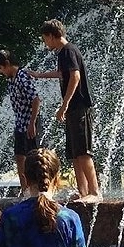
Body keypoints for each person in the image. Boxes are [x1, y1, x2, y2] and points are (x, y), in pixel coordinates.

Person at [27, 20, 101, 203]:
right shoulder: (63, 53)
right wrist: (39, 75)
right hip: (74, 109)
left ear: (52, 36)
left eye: (45, 39)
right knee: (75, 153)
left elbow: (75, 76)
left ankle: (95, 192)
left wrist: (65, 104)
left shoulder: (69, 50)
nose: (45, 43)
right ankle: (83, 191)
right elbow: (62, 74)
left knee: (83, 151)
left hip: (80, 107)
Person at [0, 49, 41, 191]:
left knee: (34, 157)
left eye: (1, 68)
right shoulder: (11, 80)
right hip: (20, 123)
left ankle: (37, 189)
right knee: (20, 156)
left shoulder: (22, 77)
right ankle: (25, 189)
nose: (1, 72)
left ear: (7, 63)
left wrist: (32, 123)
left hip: (30, 123)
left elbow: (36, 100)